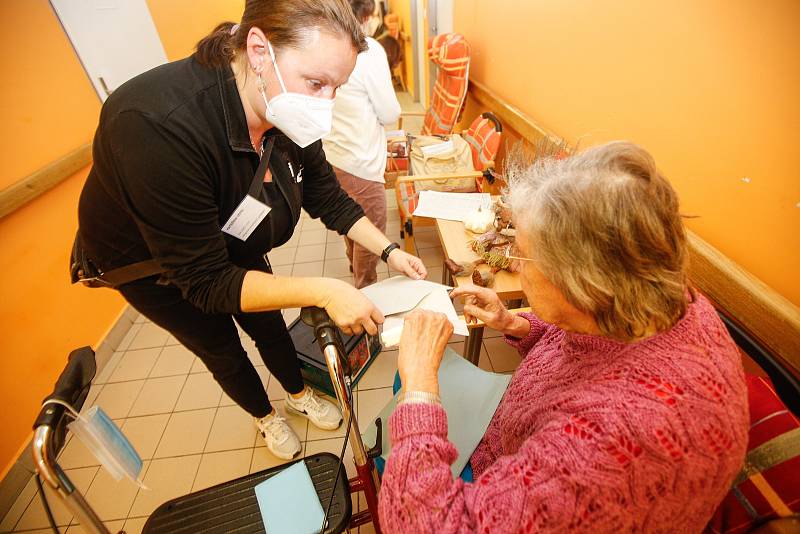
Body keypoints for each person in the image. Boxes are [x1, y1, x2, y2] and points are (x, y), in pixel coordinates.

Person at [76, 0, 426, 461]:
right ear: (258, 50)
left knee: (269, 325)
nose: (326, 105)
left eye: (336, 88)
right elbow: (206, 282)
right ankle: (265, 416)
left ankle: (297, 393)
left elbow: (328, 196)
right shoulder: (154, 126)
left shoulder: (287, 107)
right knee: (219, 343)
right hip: (150, 263)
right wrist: (323, 290)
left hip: (228, 232)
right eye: (316, 83)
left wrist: (388, 252)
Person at [378, 142, 749, 532]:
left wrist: (421, 384)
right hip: (508, 435)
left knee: (408, 384)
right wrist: (516, 323)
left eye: (520, 255)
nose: (515, 267)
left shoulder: (613, 442)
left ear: (579, 285)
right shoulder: (652, 300)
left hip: (485, 486)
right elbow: (588, 346)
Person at [322, 0, 402, 288]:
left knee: (350, 224)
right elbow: (391, 112)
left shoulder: (326, 42)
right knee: (372, 235)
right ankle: (366, 292)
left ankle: (355, 271)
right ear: (368, 15)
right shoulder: (368, 49)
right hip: (362, 163)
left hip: (334, 155)